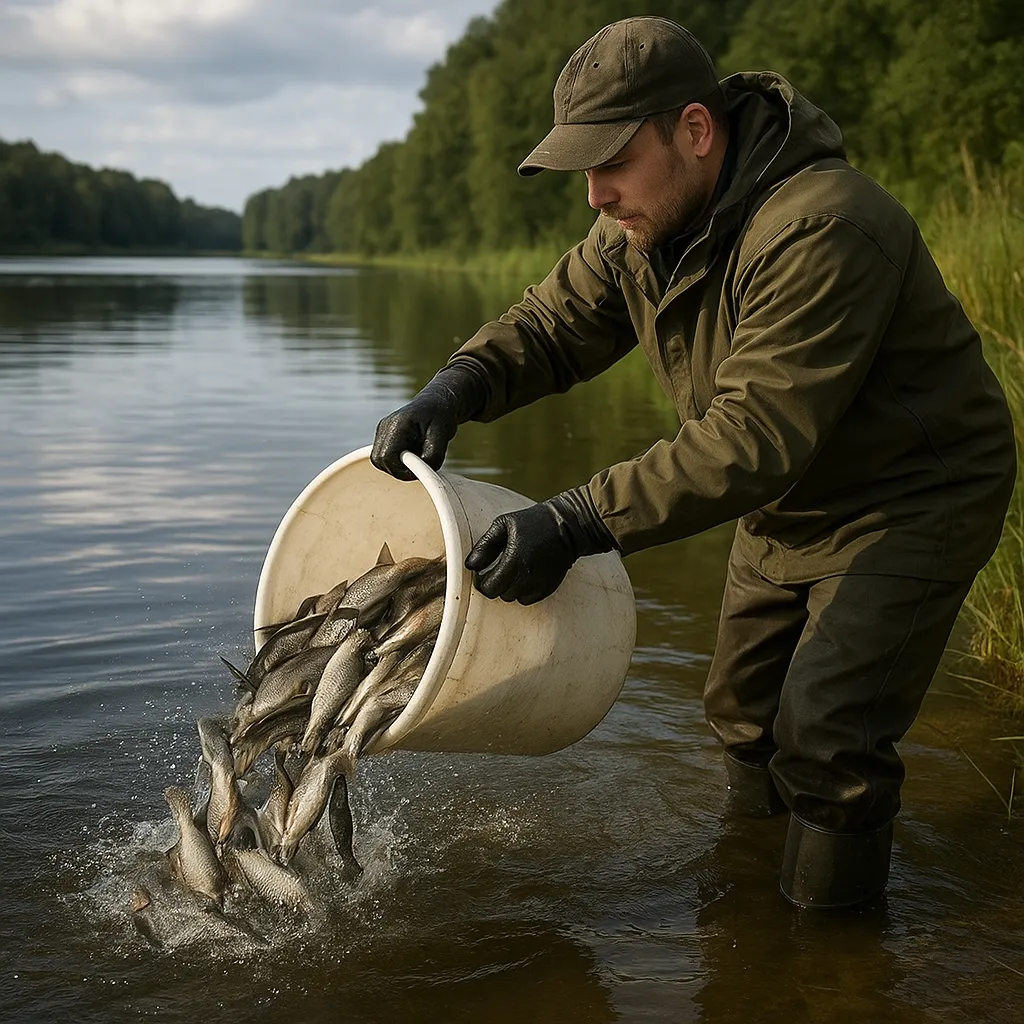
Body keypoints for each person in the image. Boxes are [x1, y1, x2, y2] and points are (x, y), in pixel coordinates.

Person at [370, 16, 1016, 909]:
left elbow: (753, 436)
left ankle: (829, 963)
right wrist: (457, 383)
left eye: (611, 162)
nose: (595, 194)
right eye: (583, 170)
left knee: (828, 733)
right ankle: (753, 915)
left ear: (696, 131)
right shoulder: (645, 224)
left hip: (910, 495)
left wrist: (574, 523)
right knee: (743, 716)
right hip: (789, 494)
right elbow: (553, 325)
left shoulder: (825, 225)